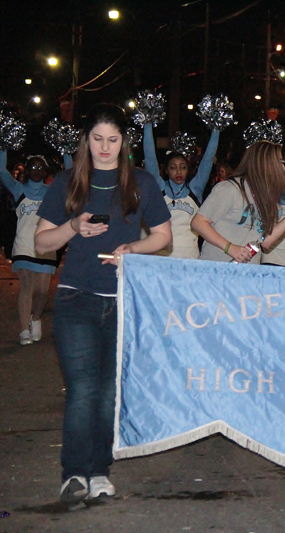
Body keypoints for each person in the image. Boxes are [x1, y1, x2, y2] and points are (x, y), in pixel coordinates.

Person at [34, 104, 172, 505]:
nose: (105, 148)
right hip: (76, 298)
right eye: (97, 139)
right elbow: (41, 243)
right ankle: (73, 473)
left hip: (122, 301)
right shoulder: (67, 182)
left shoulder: (141, 183)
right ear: (86, 140)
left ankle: (99, 471)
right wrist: (73, 226)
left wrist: (132, 247)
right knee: (81, 391)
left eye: (113, 140)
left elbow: (163, 236)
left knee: (109, 393)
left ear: (124, 142)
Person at [191, 141, 285, 265]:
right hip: (217, 269)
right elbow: (198, 222)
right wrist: (231, 248)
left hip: (248, 274)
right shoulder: (230, 188)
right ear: (265, 164)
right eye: (280, 162)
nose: (283, 168)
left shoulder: (266, 197)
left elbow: (265, 242)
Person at [0, 153, 58, 344]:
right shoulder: (18, 189)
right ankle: (24, 330)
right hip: (23, 245)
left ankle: (36, 319)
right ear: (26, 170)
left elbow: (73, 179)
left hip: (46, 245)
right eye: (32, 167)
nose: (36, 171)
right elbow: (2, 171)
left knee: (42, 291)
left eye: (41, 167)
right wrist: (3, 149)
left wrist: (67, 152)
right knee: (27, 287)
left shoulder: (51, 191)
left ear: (46, 171)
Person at [143, 123, 219, 258]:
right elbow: (150, 158)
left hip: (189, 257)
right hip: (162, 256)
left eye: (183, 167)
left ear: (188, 169)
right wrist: (148, 124)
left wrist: (217, 128)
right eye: (173, 167)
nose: (178, 171)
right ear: (166, 170)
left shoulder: (195, 189)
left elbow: (208, 159)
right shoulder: (160, 188)